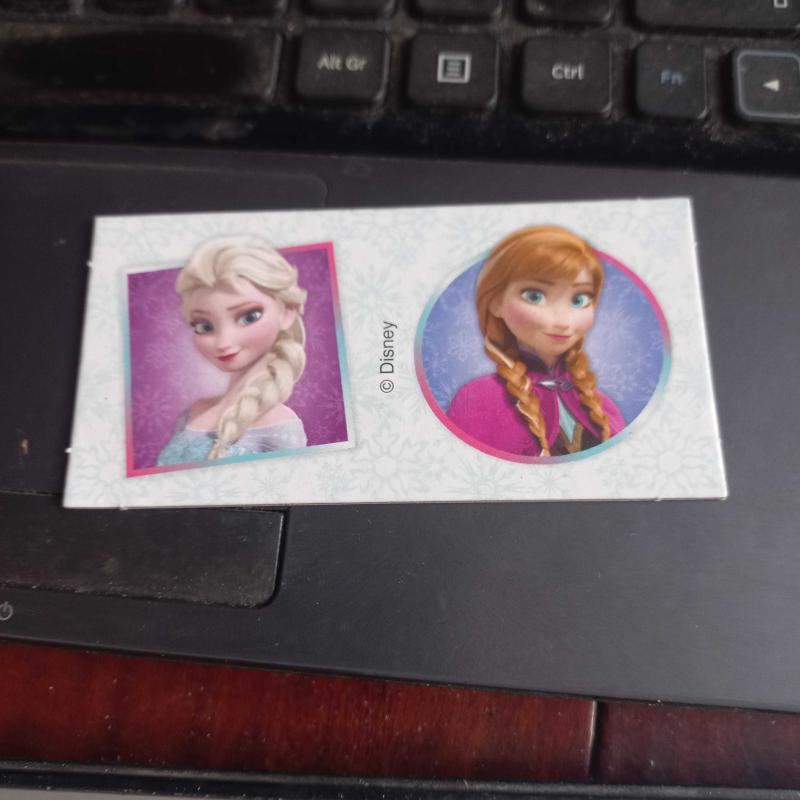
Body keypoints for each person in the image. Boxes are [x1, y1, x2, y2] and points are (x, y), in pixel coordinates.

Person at [446, 225, 624, 458]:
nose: (563, 321)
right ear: (495, 302)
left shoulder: (604, 407)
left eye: (579, 299)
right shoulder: (478, 400)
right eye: (535, 296)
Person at [156, 236, 308, 466]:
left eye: (249, 316)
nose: (223, 342)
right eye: (205, 326)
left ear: (287, 312)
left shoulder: (280, 424)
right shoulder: (193, 413)